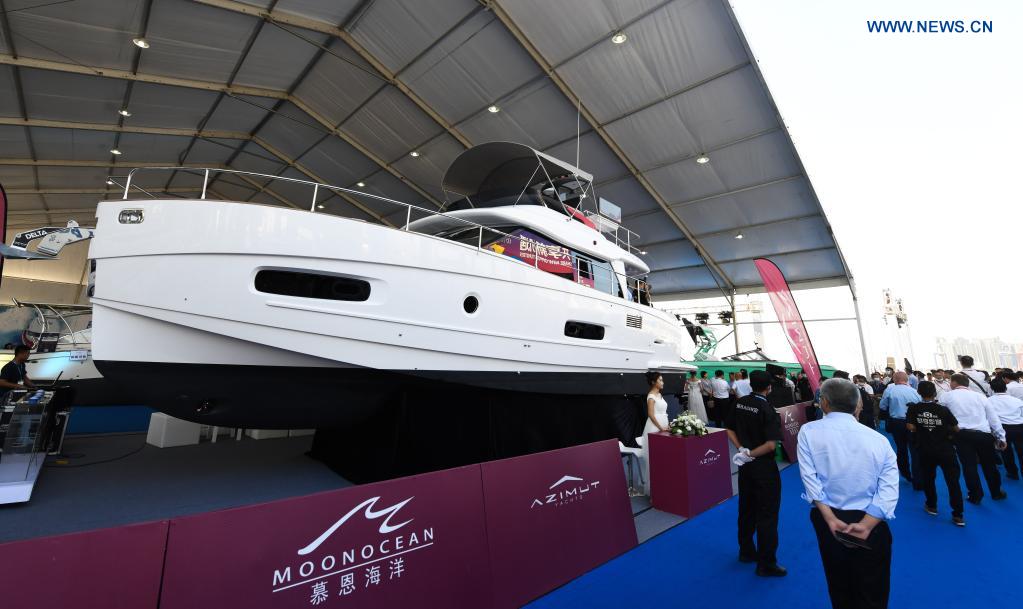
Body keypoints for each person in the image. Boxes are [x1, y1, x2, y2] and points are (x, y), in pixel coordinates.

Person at [797, 378, 899, 609]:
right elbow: (889, 487)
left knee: (839, 584)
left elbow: (809, 478)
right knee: (873, 590)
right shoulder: (879, 440)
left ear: (823, 403)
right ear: (858, 406)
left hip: (828, 520)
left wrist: (830, 518)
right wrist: (867, 524)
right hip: (871, 523)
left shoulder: (808, 432)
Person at [726, 370, 786, 577]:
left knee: (746, 509)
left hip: (746, 466)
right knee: (767, 514)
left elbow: (729, 429)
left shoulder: (740, 402)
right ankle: (766, 563)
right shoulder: (768, 409)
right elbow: (771, 445)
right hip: (763, 468)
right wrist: (749, 453)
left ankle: (746, 551)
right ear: (768, 387)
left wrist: (741, 450)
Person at [939, 373, 1007, 503]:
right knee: (990, 465)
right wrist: (1001, 436)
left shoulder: (946, 396)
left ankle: (975, 496)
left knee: (969, 466)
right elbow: (993, 418)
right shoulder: (980, 396)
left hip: (961, 435)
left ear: (953, 383)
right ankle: (996, 492)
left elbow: (942, 416)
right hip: (984, 434)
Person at [906, 381, 965, 526]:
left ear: (919, 392)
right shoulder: (943, 410)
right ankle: (958, 515)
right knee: (953, 482)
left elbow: (910, 427)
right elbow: (956, 428)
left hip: (925, 449)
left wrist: (922, 428)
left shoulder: (913, 409)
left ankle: (931, 506)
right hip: (945, 450)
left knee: (928, 478)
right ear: (934, 393)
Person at [879, 371, 922, 486]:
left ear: (894, 379)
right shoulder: (915, 391)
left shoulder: (890, 390)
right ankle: (918, 479)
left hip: (897, 422)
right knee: (915, 451)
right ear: (906, 380)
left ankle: (906, 473)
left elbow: (882, 406)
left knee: (901, 449)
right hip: (913, 423)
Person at [987, 377, 1023, 480]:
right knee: (1021, 452)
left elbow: (989, 417)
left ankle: (1012, 472)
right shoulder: (1017, 400)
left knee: (1006, 452)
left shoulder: (988, 401)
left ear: (992, 388)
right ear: (1005, 387)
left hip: (1002, 428)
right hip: (1019, 427)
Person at [641, 371, 670, 495]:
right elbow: (651, 414)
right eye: (660, 380)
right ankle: (654, 492)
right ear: (653, 382)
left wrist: (666, 426)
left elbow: (662, 412)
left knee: (664, 458)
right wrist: (661, 428)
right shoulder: (651, 395)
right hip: (654, 427)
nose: (662, 382)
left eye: (662, 380)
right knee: (654, 459)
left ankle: (663, 486)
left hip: (663, 424)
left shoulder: (660, 395)